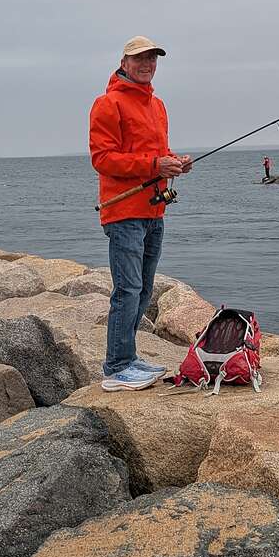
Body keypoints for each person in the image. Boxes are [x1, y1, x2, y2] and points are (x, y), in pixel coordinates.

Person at [89, 36, 191, 392]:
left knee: (144, 289)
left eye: (152, 58)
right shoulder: (107, 104)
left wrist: (175, 162)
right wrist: (154, 164)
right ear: (124, 61)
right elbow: (102, 159)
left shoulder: (158, 105)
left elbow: (157, 152)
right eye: (140, 58)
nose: (147, 64)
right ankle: (116, 368)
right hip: (123, 212)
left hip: (155, 209)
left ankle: (129, 357)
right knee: (127, 289)